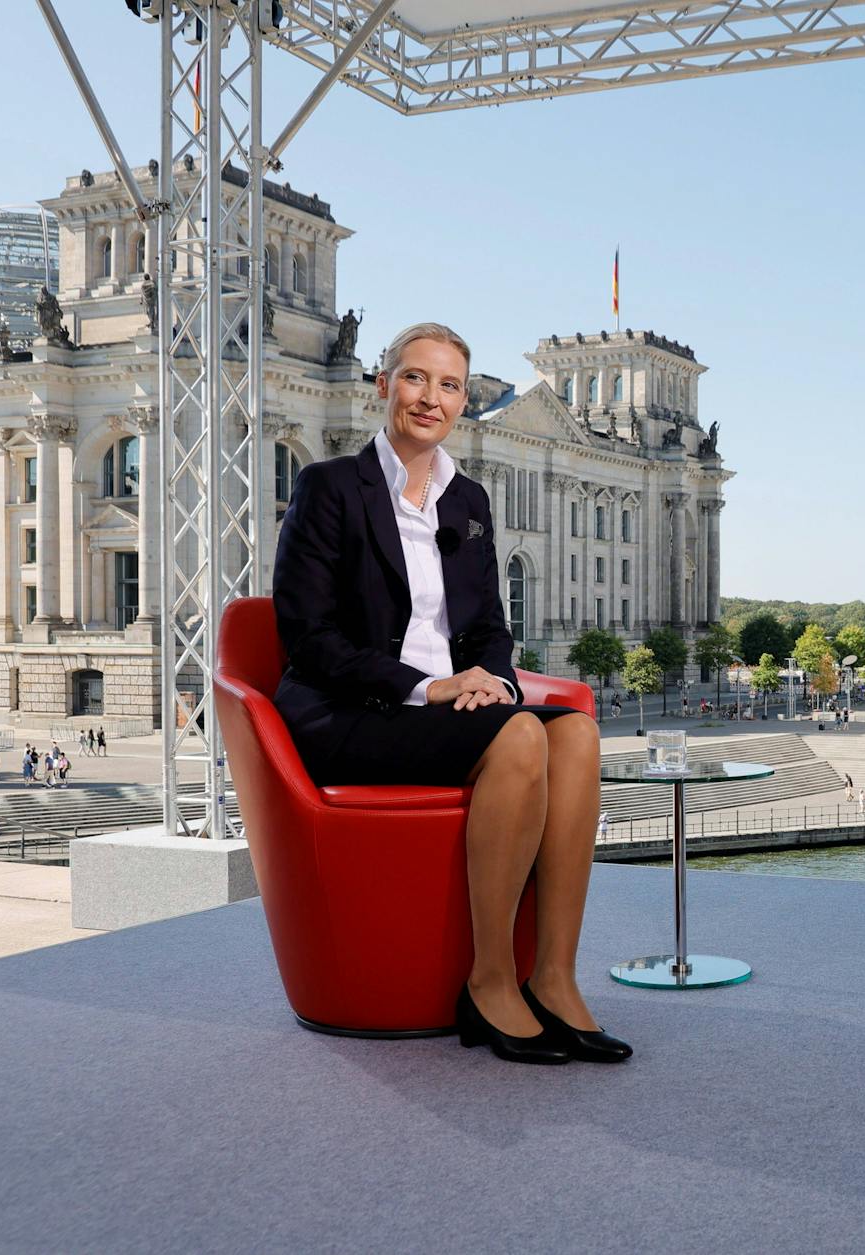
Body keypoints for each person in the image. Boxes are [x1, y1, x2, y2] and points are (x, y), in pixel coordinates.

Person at [271, 321, 627, 1067]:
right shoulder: (330, 487)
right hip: (351, 715)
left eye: (449, 384)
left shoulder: (468, 499)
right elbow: (310, 639)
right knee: (525, 733)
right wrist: (432, 686)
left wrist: (492, 680)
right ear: (384, 385)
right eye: (415, 378)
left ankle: (555, 976)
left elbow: (489, 627)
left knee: (578, 733)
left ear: (465, 401)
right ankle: (490, 978)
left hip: (448, 713)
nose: (430, 397)